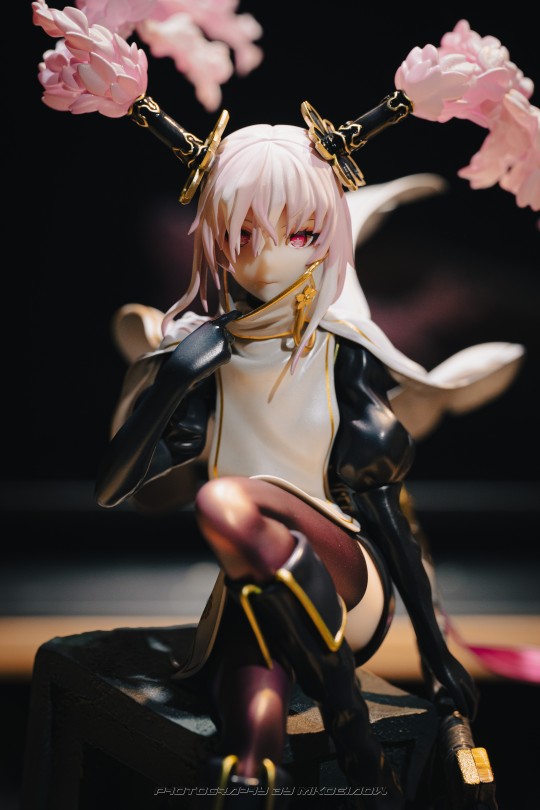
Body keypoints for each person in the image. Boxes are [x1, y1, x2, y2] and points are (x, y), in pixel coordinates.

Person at [95, 122, 522, 808]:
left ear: (326, 233)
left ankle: (347, 724)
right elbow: (113, 490)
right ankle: (332, 751)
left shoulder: (340, 353)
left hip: (352, 580)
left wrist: (439, 657)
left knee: (225, 500)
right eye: (241, 234)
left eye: (296, 232)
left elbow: (385, 510)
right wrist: (172, 381)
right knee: (247, 737)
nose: (266, 255)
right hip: (257, 583)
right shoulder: (198, 358)